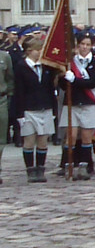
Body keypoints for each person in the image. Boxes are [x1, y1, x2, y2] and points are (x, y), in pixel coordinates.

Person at [59, 31, 95, 180]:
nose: (85, 47)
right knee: (70, 136)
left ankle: (84, 166)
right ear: (77, 46)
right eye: (82, 44)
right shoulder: (70, 62)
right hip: (72, 103)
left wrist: (75, 81)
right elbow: (63, 85)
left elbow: (93, 82)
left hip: (88, 103)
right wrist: (65, 78)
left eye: (88, 44)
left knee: (86, 137)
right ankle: (68, 165)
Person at [14, 37, 57, 183]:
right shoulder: (21, 66)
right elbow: (18, 91)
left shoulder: (46, 67)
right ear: (29, 51)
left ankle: (40, 168)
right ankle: (30, 169)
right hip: (29, 108)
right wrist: (19, 113)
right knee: (29, 141)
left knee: (43, 141)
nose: (40, 52)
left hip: (44, 106)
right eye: (37, 50)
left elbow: (51, 89)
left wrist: (54, 109)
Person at [0, 38, 13, 184]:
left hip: (1, 100)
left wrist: (9, 95)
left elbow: (10, 79)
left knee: (1, 139)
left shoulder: (4, 56)